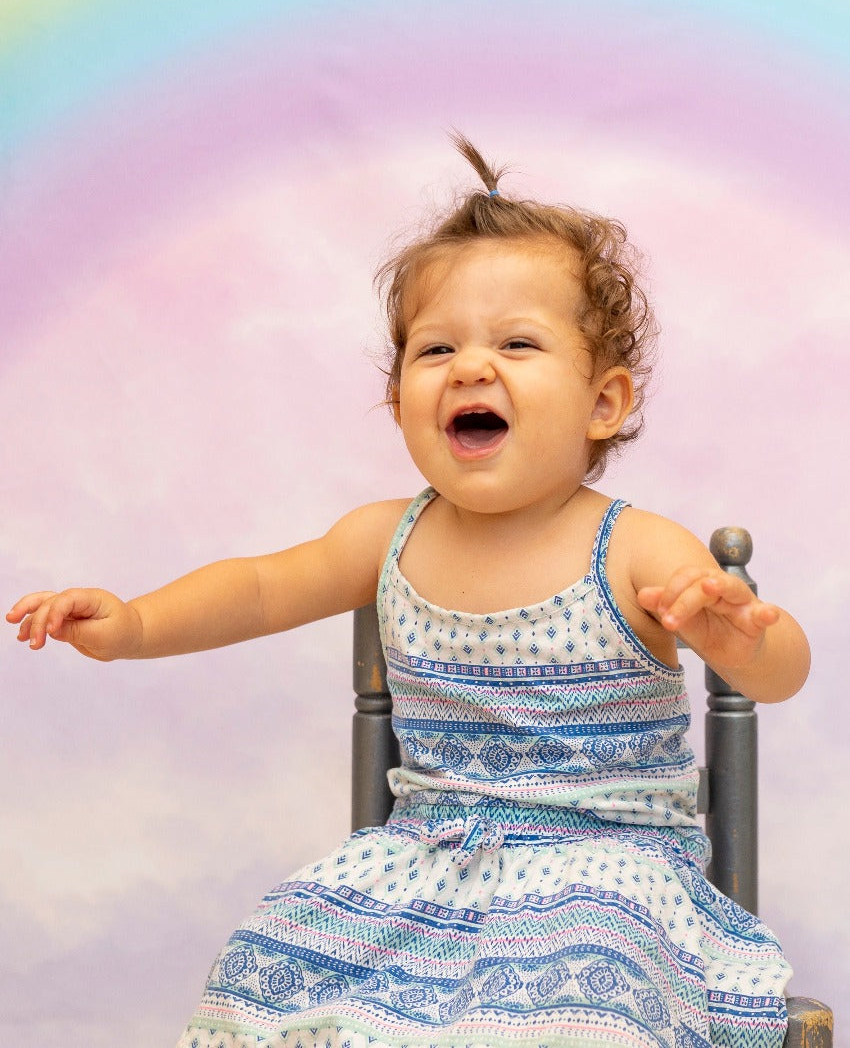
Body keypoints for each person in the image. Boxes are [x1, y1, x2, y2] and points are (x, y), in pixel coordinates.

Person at [7, 136, 809, 1048]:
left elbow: (778, 677)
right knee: (272, 952)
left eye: (516, 342)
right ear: (399, 400)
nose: (471, 366)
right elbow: (265, 587)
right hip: (424, 864)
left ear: (603, 402)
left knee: (573, 997)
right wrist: (138, 621)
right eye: (437, 347)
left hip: (608, 868)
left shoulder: (631, 546)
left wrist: (744, 639)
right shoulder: (388, 535)